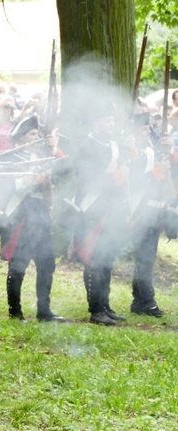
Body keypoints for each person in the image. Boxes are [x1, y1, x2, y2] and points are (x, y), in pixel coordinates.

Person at [0, 116, 65, 322]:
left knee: (47, 263)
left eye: (37, 133)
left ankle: (44, 310)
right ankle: (15, 311)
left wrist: (52, 152)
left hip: (40, 213)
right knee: (18, 265)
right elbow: (14, 187)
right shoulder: (12, 158)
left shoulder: (41, 155)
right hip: (21, 214)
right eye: (33, 134)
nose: (37, 137)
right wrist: (36, 177)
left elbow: (63, 168)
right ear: (22, 137)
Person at [71, 104, 130, 325]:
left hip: (111, 209)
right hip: (92, 209)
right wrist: (116, 176)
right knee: (94, 259)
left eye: (112, 121)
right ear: (96, 123)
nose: (111, 125)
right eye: (107, 121)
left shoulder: (113, 145)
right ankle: (95, 309)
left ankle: (105, 304)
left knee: (107, 258)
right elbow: (89, 179)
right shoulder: (86, 147)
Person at [126, 113, 172, 317]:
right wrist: (159, 171)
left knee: (146, 258)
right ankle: (148, 300)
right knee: (144, 259)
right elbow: (135, 180)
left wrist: (167, 152)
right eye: (144, 129)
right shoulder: (132, 152)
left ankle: (139, 301)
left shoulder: (149, 150)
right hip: (137, 211)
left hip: (153, 212)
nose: (148, 131)